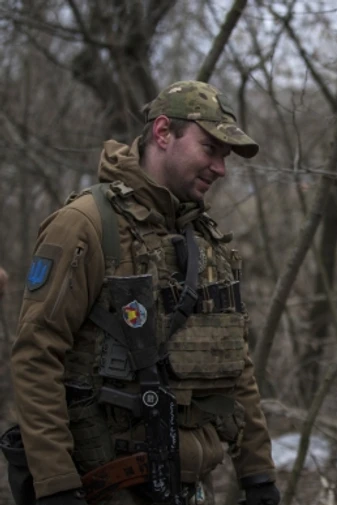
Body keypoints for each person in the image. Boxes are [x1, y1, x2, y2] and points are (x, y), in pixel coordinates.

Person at [6, 81, 281, 505]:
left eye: (225, 157)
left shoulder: (203, 239)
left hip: (187, 486)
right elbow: (36, 354)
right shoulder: (86, 224)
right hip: (102, 486)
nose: (220, 168)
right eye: (210, 148)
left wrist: (258, 472)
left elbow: (235, 362)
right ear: (163, 133)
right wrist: (56, 484)